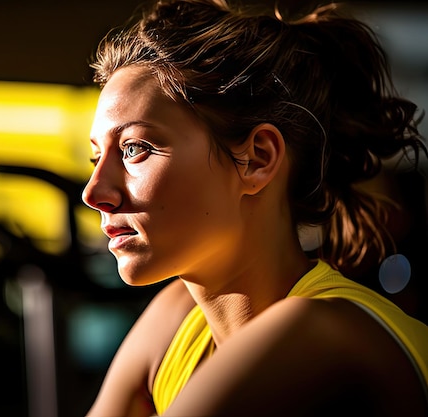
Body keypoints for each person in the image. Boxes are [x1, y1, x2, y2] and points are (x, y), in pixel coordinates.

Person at [80, 0, 428, 415]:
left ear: (258, 159)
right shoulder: (177, 317)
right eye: (96, 157)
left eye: (134, 149)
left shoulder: (317, 332)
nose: (94, 191)